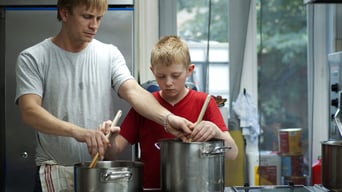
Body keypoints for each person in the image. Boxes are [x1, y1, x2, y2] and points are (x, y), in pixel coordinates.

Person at [14, 1, 193, 191]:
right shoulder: (33, 57)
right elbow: (30, 111)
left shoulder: (109, 54)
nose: (94, 25)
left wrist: (168, 118)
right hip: (54, 171)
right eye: (87, 17)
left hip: (98, 174)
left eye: (99, 18)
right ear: (65, 14)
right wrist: (79, 132)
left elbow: (133, 91)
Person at [100, 35, 239, 189]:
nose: (168, 83)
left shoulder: (205, 103)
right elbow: (112, 154)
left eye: (175, 76)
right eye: (161, 76)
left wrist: (217, 133)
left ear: (189, 70)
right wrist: (109, 140)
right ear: (152, 71)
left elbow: (233, 154)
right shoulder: (144, 105)